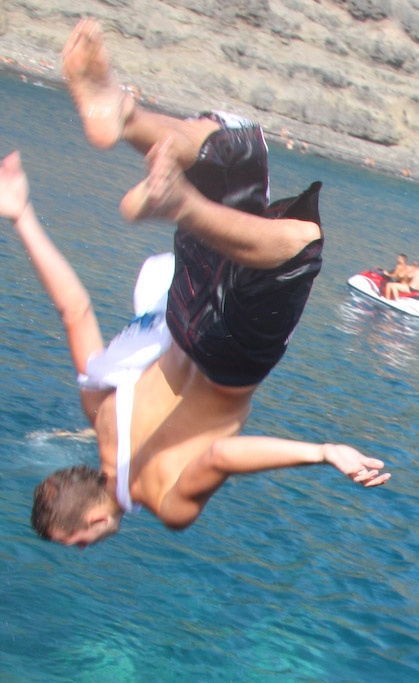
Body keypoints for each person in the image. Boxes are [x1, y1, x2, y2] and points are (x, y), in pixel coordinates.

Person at [1, 19, 389, 549]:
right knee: (231, 149)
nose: (91, 545)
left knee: (299, 245)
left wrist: (322, 452)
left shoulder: (163, 499)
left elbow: (219, 455)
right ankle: (126, 117)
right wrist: (21, 214)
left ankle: (179, 203)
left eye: (83, 544)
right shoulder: (99, 410)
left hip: (231, 359)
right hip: (182, 313)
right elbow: (74, 308)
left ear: (90, 524)